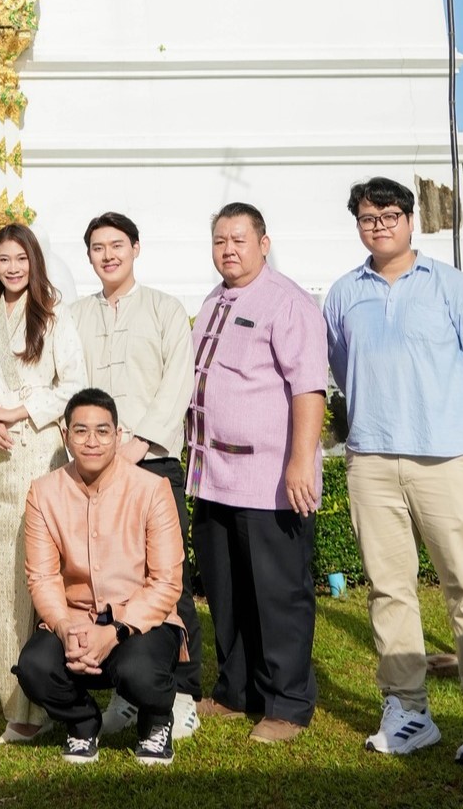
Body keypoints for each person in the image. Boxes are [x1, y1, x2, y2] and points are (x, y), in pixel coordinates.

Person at [324, 177, 463, 771]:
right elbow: (343, 368)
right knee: (388, 588)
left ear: (411, 221)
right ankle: (408, 711)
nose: (378, 225)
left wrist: (450, 420)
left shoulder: (451, 286)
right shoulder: (343, 294)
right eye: (367, 217)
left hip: (448, 457)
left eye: (389, 215)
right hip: (372, 459)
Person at [186, 202, 327, 743]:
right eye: (220, 240)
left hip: (269, 479)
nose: (228, 250)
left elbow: (308, 386)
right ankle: (236, 690)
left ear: (263, 244)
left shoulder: (287, 302)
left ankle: (287, 703)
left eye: (239, 239)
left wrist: (300, 461)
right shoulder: (213, 300)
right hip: (214, 476)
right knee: (227, 591)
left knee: (278, 594)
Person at [0, 223, 87, 744]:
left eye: (20, 259)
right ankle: (17, 706)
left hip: (40, 456)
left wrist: (17, 411)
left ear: (34, 262)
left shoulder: (53, 317)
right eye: (3, 259)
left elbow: (72, 385)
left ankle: (54, 694)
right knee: (1, 580)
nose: (11, 268)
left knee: (43, 578)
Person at [69, 212, 200, 739]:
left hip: (151, 462)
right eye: (97, 247)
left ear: (136, 248)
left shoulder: (165, 309)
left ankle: (182, 691)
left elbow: (178, 382)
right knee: (106, 578)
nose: (108, 255)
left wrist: (139, 442)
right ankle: (126, 692)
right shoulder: (76, 315)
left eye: (116, 245)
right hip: (93, 469)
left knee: (167, 580)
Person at [13, 388, 188, 767]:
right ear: (65, 435)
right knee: (34, 667)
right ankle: (82, 722)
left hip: (142, 622)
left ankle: (157, 718)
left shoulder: (152, 489)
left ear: (118, 435)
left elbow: (166, 583)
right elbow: (42, 577)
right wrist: (64, 628)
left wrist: (114, 632)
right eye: (81, 431)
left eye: (102, 431)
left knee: (138, 671)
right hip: (75, 619)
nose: (92, 441)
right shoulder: (44, 493)